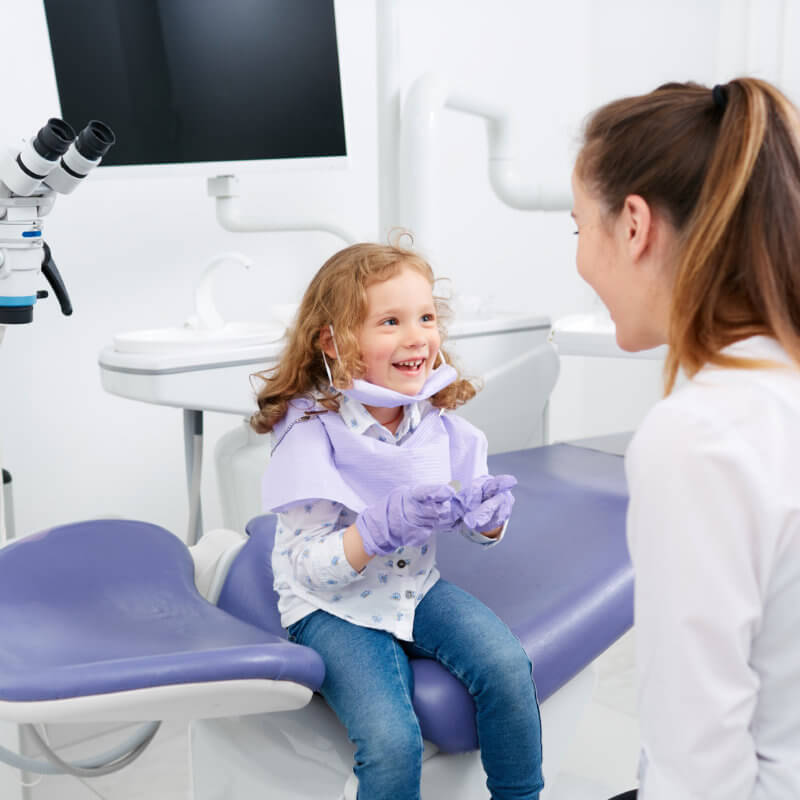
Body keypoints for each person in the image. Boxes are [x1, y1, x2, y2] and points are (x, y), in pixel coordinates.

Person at [571, 78, 800, 799]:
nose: (579, 259)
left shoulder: (698, 435)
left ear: (634, 226)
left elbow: (698, 768)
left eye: (579, 229)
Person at [250, 242, 543, 800]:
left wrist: (486, 520)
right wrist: (373, 531)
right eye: (390, 321)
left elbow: (471, 517)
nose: (417, 337)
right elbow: (308, 569)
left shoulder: (432, 421)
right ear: (333, 341)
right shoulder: (313, 433)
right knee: (391, 741)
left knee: (507, 667)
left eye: (426, 318)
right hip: (331, 608)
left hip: (412, 584)